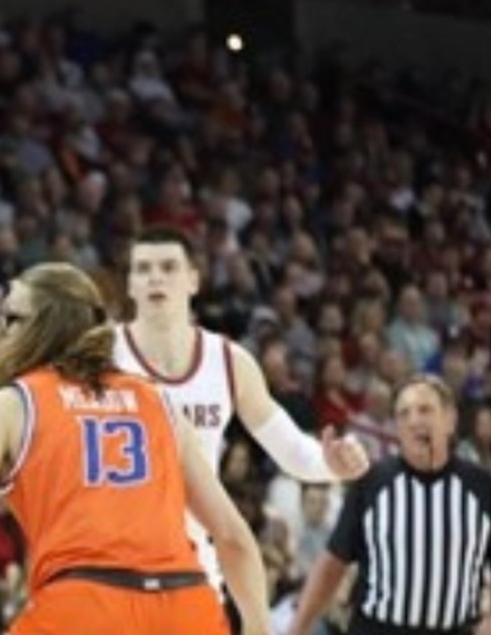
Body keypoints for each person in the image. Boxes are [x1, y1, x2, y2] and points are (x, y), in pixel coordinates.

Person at [0, 263, 269, 634]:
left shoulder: (10, 406)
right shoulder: (161, 404)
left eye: (11, 317)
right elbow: (232, 536)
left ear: (45, 327)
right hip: (185, 607)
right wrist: (259, 627)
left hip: (85, 606)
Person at [115, 226, 370, 590]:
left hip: (191, 566)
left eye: (169, 267)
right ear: (130, 285)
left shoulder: (228, 362)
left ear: (193, 280)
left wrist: (329, 463)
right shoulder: (98, 355)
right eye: (143, 269)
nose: (155, 277)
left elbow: (293, 451)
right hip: (111, 565)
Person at [285, 375, 491, 635]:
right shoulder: (371, 483)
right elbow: (332, 564)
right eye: (403, 413)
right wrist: (297, 629)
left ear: (450, 420)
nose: (414, 420)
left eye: (425, 409)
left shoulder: (482, 486)